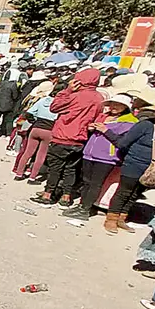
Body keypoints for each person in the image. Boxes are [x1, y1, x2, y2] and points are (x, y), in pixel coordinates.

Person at [102, 95, 155, 234]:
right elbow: (123, 143)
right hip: (134, 164)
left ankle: (122, 217)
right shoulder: (145, 125)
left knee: (136, 193)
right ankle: (111, 218)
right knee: (124, 192)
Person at [31, 68, 104, 207]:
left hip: (62, 136)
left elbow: (54, 107)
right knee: (71, 169)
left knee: (55, 169)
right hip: (80, 139)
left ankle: (48, 195)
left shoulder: (74, 96)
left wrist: (67, 91)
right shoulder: (99, 98)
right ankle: (66, 197)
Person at [62, 94, 138, 221]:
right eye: (112, 104)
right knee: (86, 181)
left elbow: (123, 142)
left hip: (106, 157)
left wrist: (105, 130)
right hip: (90, 154)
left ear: (125, 106)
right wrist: (91, 128)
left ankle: (85, 209)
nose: (114, 107)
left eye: (118, 105)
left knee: (95, 183)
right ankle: (81, 205)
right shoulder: (106, 116)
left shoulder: (130, 122)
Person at [13, 86, 61, 182]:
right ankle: (32, 177)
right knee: (41, 155)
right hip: (49, 130)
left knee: (27, 152)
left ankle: (19, 174)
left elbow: (28, 113)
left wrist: (34, 121)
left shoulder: (43, 100)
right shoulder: (60, 104)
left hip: (36, 128)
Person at [0, 67, 23, 137]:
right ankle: (7, 134)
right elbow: (15, 96)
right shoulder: (13, 84)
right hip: (8, 105)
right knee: (8, 121)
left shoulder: (1, 82)